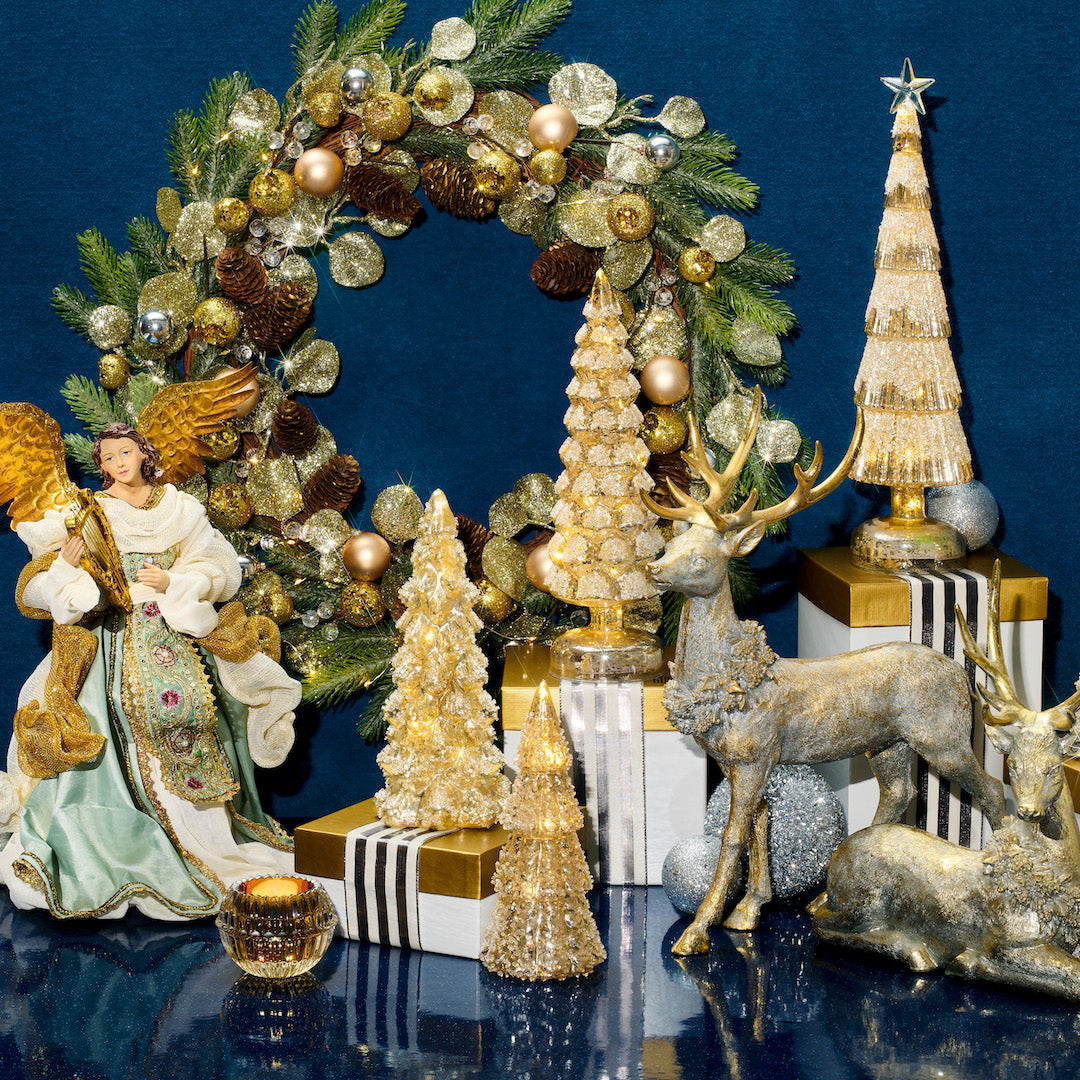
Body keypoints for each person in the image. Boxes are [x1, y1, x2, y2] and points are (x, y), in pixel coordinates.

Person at [0, 423, 301, 919]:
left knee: (199, 709)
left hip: (174, 623)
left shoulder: (179, 507)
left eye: (126, 452)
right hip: (112, 637)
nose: (119, 463)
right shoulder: (90, 511)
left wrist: (176, 580)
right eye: (108, 458)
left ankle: (200, 831)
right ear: (101, 466)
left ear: (143, 454)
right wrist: (69, 570)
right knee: (112, 714)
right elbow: (39, 581)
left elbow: (217, 563)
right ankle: (121, 835)